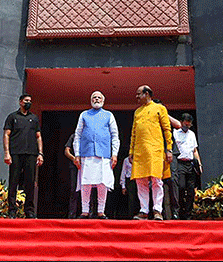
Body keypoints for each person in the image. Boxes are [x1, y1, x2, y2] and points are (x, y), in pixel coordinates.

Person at [129, 85, 172, 220]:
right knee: (140, 181)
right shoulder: (137, 112)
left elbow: (167, 129)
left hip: (155, 150)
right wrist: (131, 151)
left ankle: (157, 210)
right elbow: (134, 133)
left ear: (147, 94)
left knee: (156, 181)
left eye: (138, 94)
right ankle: (144, 210)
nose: (136, 97)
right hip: (140, 152)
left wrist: (169, 149)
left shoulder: (160, 108)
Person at [74, 91, 120, 218]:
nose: (96, 99)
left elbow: (115, 136)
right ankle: (85, 211)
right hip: (86, 154)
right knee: (85, 183)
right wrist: (77, 154)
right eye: (94, 97)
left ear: (103, 101)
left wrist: (114, 154)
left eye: (99, 97)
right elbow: (77, 135)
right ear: (90, 100)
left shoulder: (109, 115)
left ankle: (101, 211)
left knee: (102, 183)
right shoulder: (84, 115)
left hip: (104, 155)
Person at [3, 94, 43, 218]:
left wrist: (40, 153)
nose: (28, 103)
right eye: (26, 101)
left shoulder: (34, 118)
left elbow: (38, 136)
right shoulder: (12, 117)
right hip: (15, 153)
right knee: (14, 181)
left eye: (30, 101)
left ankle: (29, 211)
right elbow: (6, 135)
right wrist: (6, 153)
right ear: (20, 102)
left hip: (31, 153)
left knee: (30, 183)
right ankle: (12, 211)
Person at [174, 113, 202, 220]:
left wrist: (199, 164)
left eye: (189, 123)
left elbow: (195, 150)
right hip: (180, 163)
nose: (187, 125)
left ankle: (188, 212)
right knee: (181, 187)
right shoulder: (175, 133)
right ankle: (180, 210)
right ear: (181, 122)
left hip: (190, 163)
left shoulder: (192, 134)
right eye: (186, 122)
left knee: (191, 189)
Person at [64, 134, 80, 218]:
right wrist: (73, 158)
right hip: (75, 166)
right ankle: (72, 215)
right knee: (74, 190)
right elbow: (66, 150)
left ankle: (90, 214)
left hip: (87, 166)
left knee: (90, 190)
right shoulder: (74, 136)